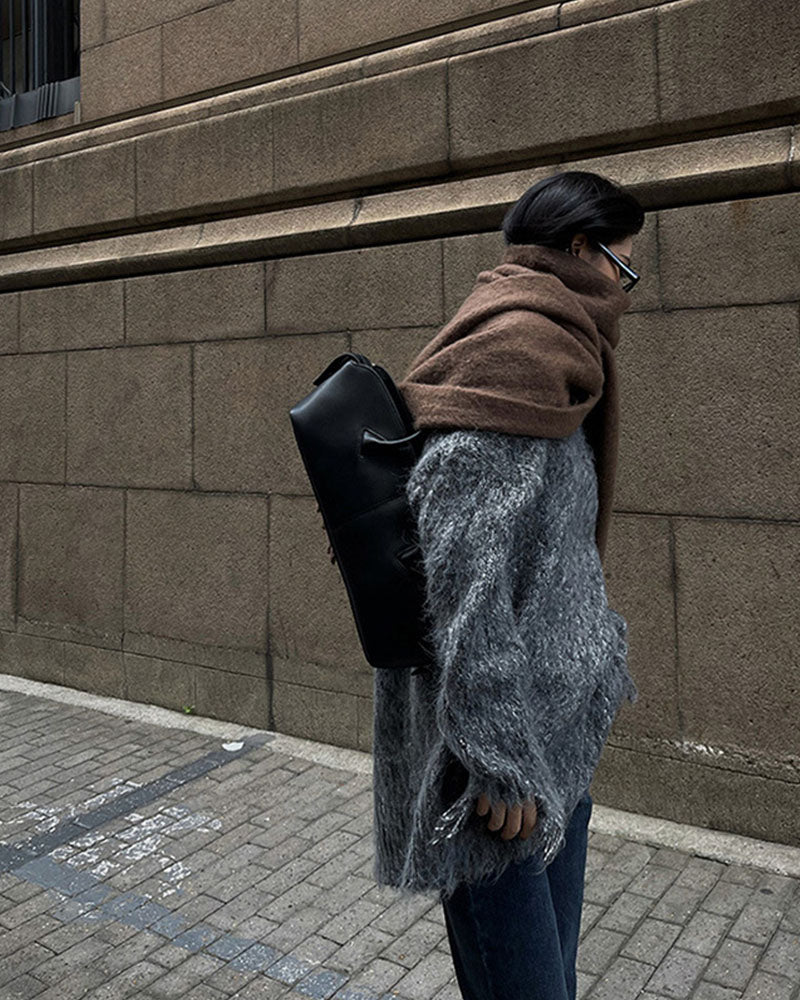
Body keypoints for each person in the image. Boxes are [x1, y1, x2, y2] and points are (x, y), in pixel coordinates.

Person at [370, 170, 644, 1000]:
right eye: (623, 271)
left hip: (556, 742)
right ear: (575, 250)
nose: (627, 294)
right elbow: (464, 568)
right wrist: (496, 760)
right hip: (500, 781)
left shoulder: (556, 345)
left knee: (551, 975)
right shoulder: (516, 348)